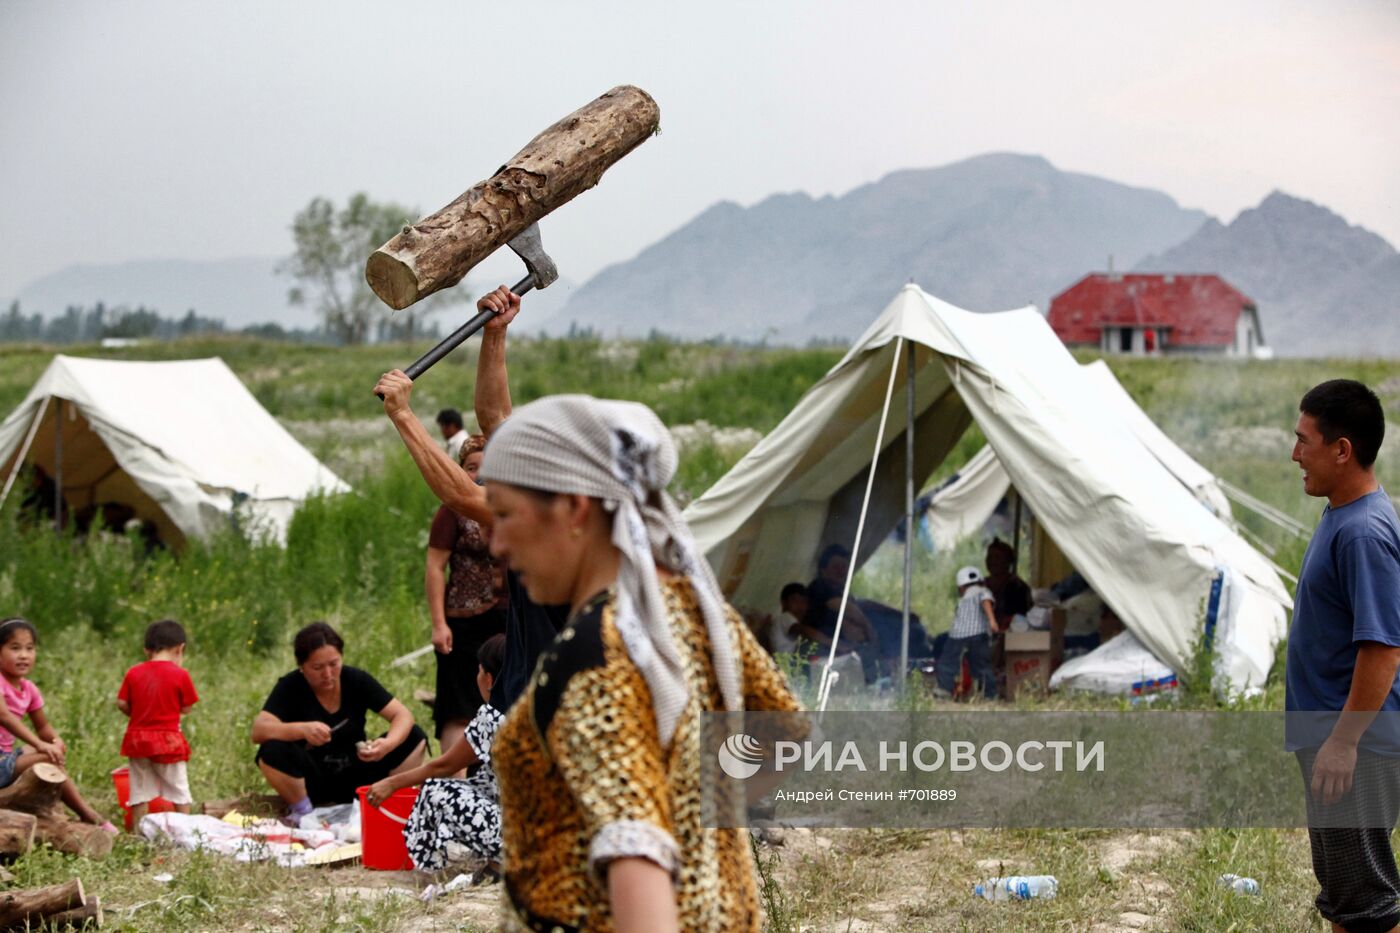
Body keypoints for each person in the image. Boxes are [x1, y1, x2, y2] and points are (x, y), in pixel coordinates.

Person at [477, 394, 806, 932]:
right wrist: (692, 822)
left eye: (505, 515)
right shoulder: (692, 610)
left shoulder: (595, 657)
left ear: (574, 508)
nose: (497, 544)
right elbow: (786, 733)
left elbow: (635, 851)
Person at [375, 285, 567, 717]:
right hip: (528, 689)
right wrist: (495, 334)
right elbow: (497, 420)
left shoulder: (550, 516)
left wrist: (404, 415)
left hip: (552, 703)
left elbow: (462, 494)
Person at [1285, 379, 1400, 933]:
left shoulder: (1363, 533)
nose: (1295, 454)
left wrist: (1343, 742)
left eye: (1304, 440)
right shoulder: (1341, 516)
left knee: (1369, 906)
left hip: (1354, 749)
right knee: (1345, 899)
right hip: (1334, 742)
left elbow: (1382, 650)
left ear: (1342, 449)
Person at [367, 634, 507, 876]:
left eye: (478, 670)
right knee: (485, 777)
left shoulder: (493, 717)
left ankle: (431, 869)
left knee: (434, 791)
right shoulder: (541, 704)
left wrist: (391, 784)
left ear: (489, 679)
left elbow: (443, 766)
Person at [251, 622, 427, 815]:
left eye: (334, 664)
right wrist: (301, 730)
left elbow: (402, 715)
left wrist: (386, 744)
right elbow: (259, 730)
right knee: (271, 750)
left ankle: (387, 803)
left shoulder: (356, 679)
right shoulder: (290, 686)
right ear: (302, 667)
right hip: (312, 778)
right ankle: (304, 812)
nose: (328, 674)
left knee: (414, 736)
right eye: (317, 667)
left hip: (358, 773)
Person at [426, 432, 506, 758]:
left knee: (505, 697)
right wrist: (438, 623)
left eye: (487, 467)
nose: (479, 475)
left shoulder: (510, 507)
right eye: (471, 467)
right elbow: (434, 567)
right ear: (460, 471)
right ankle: (455, 783)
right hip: (463, 620)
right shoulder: (452, 511)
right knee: (458, 705)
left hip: (506, 619)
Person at [0, 618, 115, 832]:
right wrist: (43, 746)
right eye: (15, 648)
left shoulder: (29, 688)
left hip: (5, 758)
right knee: (45, 755)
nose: (24, 655)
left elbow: (43, 727)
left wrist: (54, 741)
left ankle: (54, 804)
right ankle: (87, 813)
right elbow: (5, 717)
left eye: (29, 648)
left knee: (47, 750)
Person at [116, 619, 199, 826]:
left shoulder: (133, 672)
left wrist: (138, 714)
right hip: (169, 741)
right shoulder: (180, 675)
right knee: (179, 789)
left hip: (138, 740)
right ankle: (184, 829)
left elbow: (121, 702)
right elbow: (187, 707)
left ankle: (139, 831)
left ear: (147, 650)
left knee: (139, 790)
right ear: (180, 649)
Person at [803, 544, 880, 681]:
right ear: (823, 569)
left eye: (844, 567)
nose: (841, 571)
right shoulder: (820, 586)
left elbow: (863, 604)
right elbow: (846, 608)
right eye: (836, 567)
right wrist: (869, 629)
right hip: (823, 654)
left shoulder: (841, 590)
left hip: (841, 654)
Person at [935, 566, 999, 699]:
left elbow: (985, 602)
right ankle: (990, 694)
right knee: (981, 665)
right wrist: (992, 622)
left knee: (947, 662)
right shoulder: (982, 591)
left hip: (957, 636)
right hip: (977, 634)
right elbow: (986, 602)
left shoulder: (974, 594)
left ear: (961, 587)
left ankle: (944, 689)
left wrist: (992, 621)